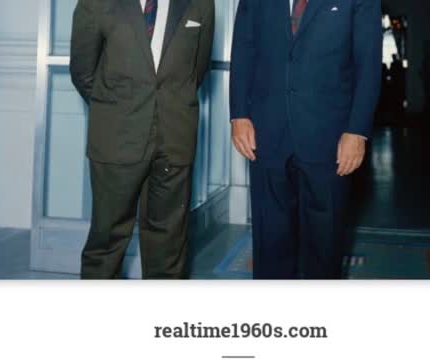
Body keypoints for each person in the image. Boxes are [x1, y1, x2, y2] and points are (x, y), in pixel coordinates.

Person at [230, 0, 382, 279]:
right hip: (266, 131)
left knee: (324, 244)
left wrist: (357, 131)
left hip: (330, 135)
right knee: (270, 239)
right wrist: (238, 114)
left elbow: (368, 63)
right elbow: (243, 47)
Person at [70, 0, 214, 279]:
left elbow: (197, 70)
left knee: (170, 243)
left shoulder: (200, 4)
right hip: (117, 135)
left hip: (175, 136)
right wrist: (118, 108)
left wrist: (164, 106)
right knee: (107, 240)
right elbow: (83, 72)